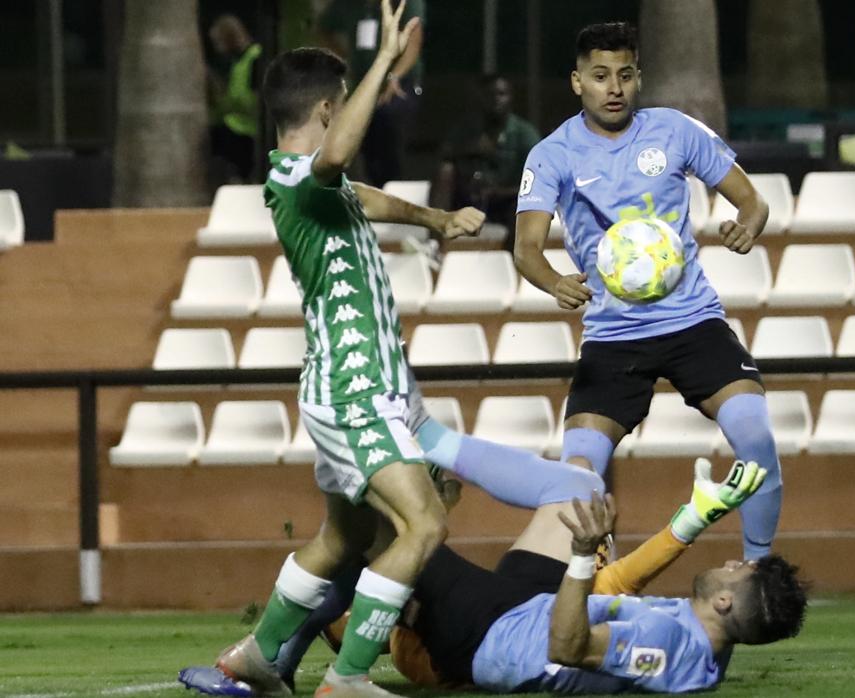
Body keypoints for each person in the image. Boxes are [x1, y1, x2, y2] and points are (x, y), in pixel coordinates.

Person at [205, 4, 605, 696]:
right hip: (356, 390)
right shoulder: (307, 175)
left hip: (353, 390)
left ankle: (259, 656)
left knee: (340, 540)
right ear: (329, 109)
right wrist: (383, 64)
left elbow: (359, 192)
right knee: (424, 524)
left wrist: (435, 218)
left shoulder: (301, 186)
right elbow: (335, 160)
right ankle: (349, 677)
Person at [184, 459, 806, 695]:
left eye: (739, 569)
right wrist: (688, 521)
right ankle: (433, 471)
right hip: (526, 608)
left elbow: (567, 648)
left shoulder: (670, 650)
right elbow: (615, 598)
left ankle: (275, 659)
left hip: (495, 635)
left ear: (725, 601)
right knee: (577, 488)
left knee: (369, 523)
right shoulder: (702, 645)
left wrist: (583, 558)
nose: (734, 559)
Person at [514, 22, 782, 562]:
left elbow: (751, 200)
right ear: (577, 82)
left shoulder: (675, 131)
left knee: (754, 437)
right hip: (613, 335)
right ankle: (590, 577)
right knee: (578, 470)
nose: (613, 87)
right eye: (599, 76)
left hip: (693, 322)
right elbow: (526, 248)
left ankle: (758, 569)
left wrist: (746, 226)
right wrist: (555, 282)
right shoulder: (552, 154)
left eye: (625, 75)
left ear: (638, 78)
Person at [318, 0, 425, 185]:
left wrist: (394, 76)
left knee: (390, 132)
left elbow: (414, 39)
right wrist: (343, 59)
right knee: (365, 145)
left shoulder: (405, 4)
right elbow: (323, 29)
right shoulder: (350, 6)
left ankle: (396, 186)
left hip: (396, 85)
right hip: (364, 84)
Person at [431, 74, 542, 251]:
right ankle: (434, 247)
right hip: (469, 200)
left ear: (511, 97)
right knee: (445, 171)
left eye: (501, 94)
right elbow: (443, 155)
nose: (496, 100)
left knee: (523, 208)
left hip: (505, 202)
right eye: (490, 95)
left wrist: (500, 191)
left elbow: (539, 181)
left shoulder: (524, 133)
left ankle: (514, 259)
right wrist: (471, 149)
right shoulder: (467, 128)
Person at [207, 14, 262, 182]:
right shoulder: (237, 61)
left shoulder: (255, 57)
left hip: (247, 129)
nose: (217, 48)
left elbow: (253, 98)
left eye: (219, 41)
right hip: (235, 124)